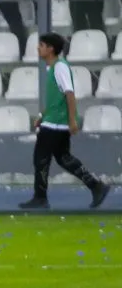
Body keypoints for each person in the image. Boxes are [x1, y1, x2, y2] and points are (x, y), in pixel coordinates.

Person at [19, 33, 111, 210]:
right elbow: (57, 99)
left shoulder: (59, 67)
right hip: (54, 121)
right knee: (64, 158)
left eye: (42, 45)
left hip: (55, 124)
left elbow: (69, 94)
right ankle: (95, 186)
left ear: (51, 49)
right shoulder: (55, 67)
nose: (38, 48)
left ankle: (40, 197)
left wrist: (72, 120)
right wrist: (43, 115)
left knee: (41, 159)